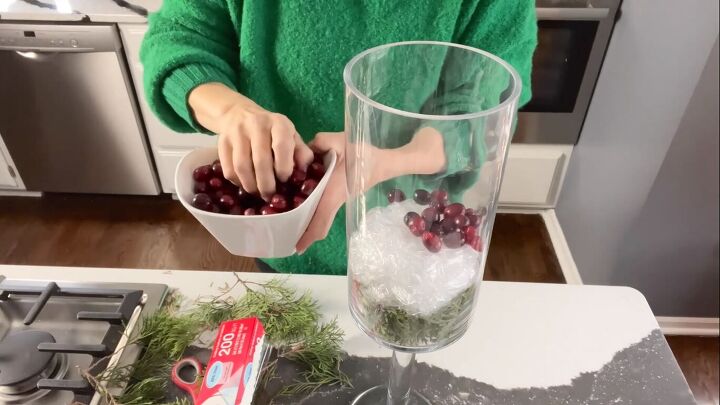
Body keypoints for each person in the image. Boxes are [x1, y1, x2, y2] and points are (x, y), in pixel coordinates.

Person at [141, 0, 537, 275]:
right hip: (281, 232)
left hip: (408, 232)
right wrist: (232, 113)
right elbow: (180, 38)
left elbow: (482, 107)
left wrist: (386, 161)